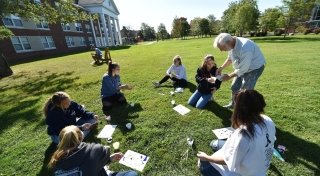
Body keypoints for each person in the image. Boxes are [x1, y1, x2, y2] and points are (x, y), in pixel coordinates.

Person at [197, 90, 276, 176]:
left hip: (243, 173)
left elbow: (227, 162)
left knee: (203, 164)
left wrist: (207, 157)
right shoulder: (267, 119)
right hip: (259, 164)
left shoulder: (244, 134)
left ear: (240, 110)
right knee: (214, 144)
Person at [49, 125, 138, 176]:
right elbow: (100, 155)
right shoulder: (94, 149)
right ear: (81, 137)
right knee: (132, 174)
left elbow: (86, 167)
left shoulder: (56, 160)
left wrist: (110, 159)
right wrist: (109, 158)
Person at [213, 33, 266, 109]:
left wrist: (229, 76)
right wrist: (221, 68)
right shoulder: (231, 44)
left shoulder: (245, 47)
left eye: (221, 48)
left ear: (228, 43)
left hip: (254, 69)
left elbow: (243, 69)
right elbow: (230, 58)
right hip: (241, 68)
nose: (221, 51)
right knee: (234, 86)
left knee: (245, 91)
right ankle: (233, 104)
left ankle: (242, 110)